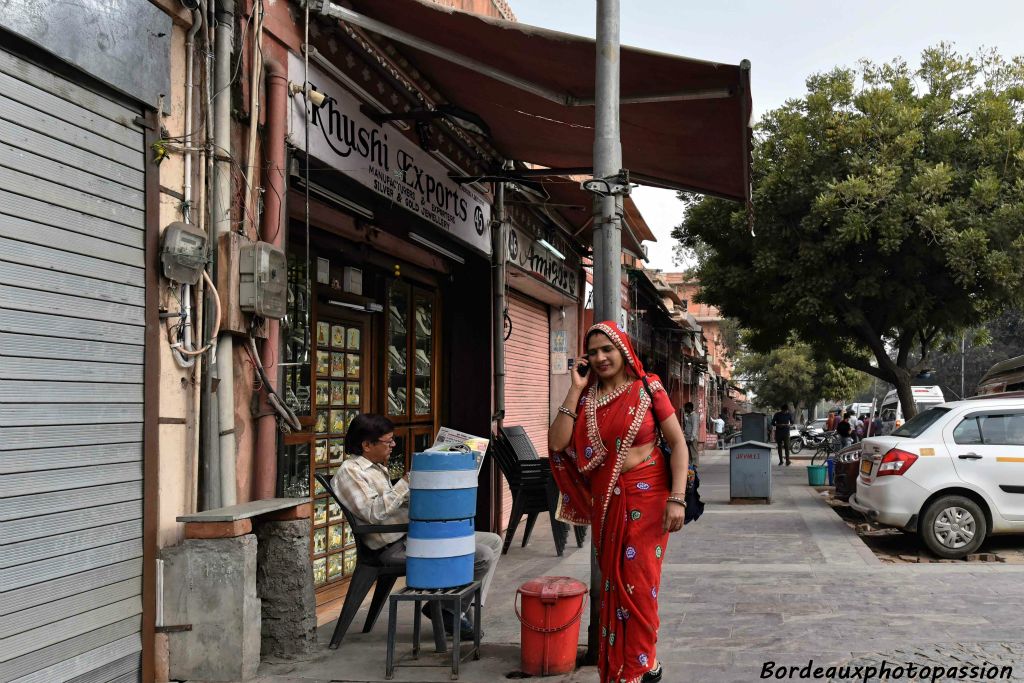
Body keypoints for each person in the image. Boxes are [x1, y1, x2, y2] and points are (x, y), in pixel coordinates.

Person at [548, 321, 688, 683]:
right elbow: (557, 444)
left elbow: (679, 444)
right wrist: (574, 389)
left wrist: (678, 498)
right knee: (614, 584)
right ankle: (641, 664)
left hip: (650, 497)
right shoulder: (587, 398)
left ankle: (638, 667)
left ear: (623, 351)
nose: (599, 357)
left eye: (606, 349)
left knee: (639, 584)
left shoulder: (648, 387)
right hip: (608, 503)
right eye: (592, 352)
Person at [331, 413, 502, 639]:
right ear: (366, 445)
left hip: (415, 534)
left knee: (493, 540)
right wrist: (405, 483)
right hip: (392, 546)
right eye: (387, 441)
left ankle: (455, 608)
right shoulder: (350, 472)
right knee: (482, 555)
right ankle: (450, 610)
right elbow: (374, 513)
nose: (393, 445)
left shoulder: (376, 467)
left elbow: (397, 504)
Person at [683, 402, 700, 466]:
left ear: (689, 408)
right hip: (688, 437)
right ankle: (691, 464)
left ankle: (695, 465)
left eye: (686, 408)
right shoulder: (690, 416)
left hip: (692, 438)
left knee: (694, 452)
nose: (685, 409)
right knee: (690, 452)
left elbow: (695, 427)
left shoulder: (694, 416)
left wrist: (692, 438)